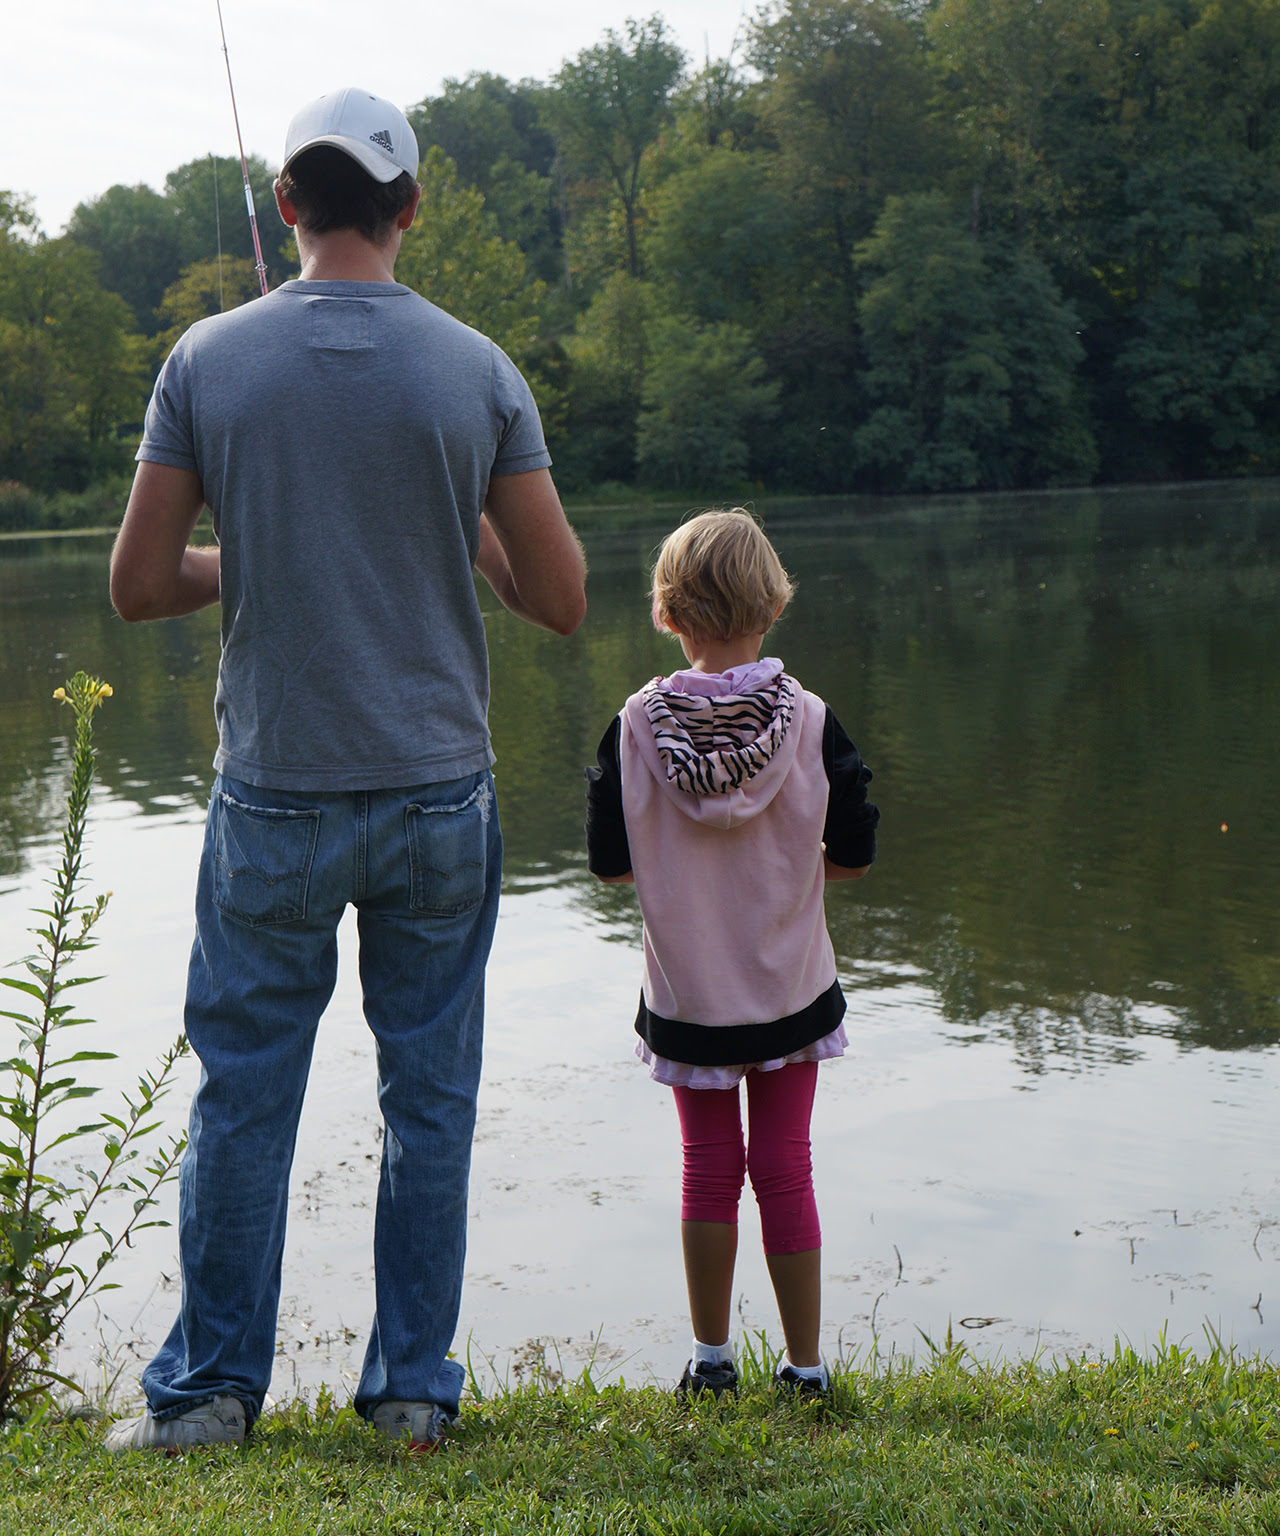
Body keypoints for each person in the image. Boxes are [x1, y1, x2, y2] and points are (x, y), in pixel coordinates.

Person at [105, 87, 586, 1452]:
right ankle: (413, 1397)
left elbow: (140, 586)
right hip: (441, 795)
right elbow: (558, 598)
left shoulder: (205, 359)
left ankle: (205, 1399)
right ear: (410, 209)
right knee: (427, 1096)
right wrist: (463, 535)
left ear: (289, 208)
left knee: (246, 1089)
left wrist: (239, 559)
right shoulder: (480, 371)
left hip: (273, 797)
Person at [584, 510, 877, 1401]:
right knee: (785, 1163)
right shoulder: (815, 722)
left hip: (688, 1001)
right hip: (790, 988)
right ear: (773, 605)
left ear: (668, 613)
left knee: (707, 1168)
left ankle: (712, 1361)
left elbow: (608, 867)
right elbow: (856, 856)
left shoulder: (633, 726)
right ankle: (805, 1367)